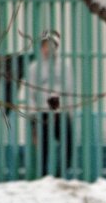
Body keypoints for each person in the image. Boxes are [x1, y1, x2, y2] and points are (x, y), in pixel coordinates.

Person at [26, 29, 76, 177]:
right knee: (43, 149)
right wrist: (33, 116)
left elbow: (69, 90)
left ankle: (60, 175)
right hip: (43, 113)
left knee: (68, 146)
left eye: (51, 45)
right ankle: (43, 177)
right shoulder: (34, 67)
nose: (48, 49)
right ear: (41, 48)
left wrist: (70, 112)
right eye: (45, 46)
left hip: (61, 112)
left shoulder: (64, 66)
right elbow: (30, 94)